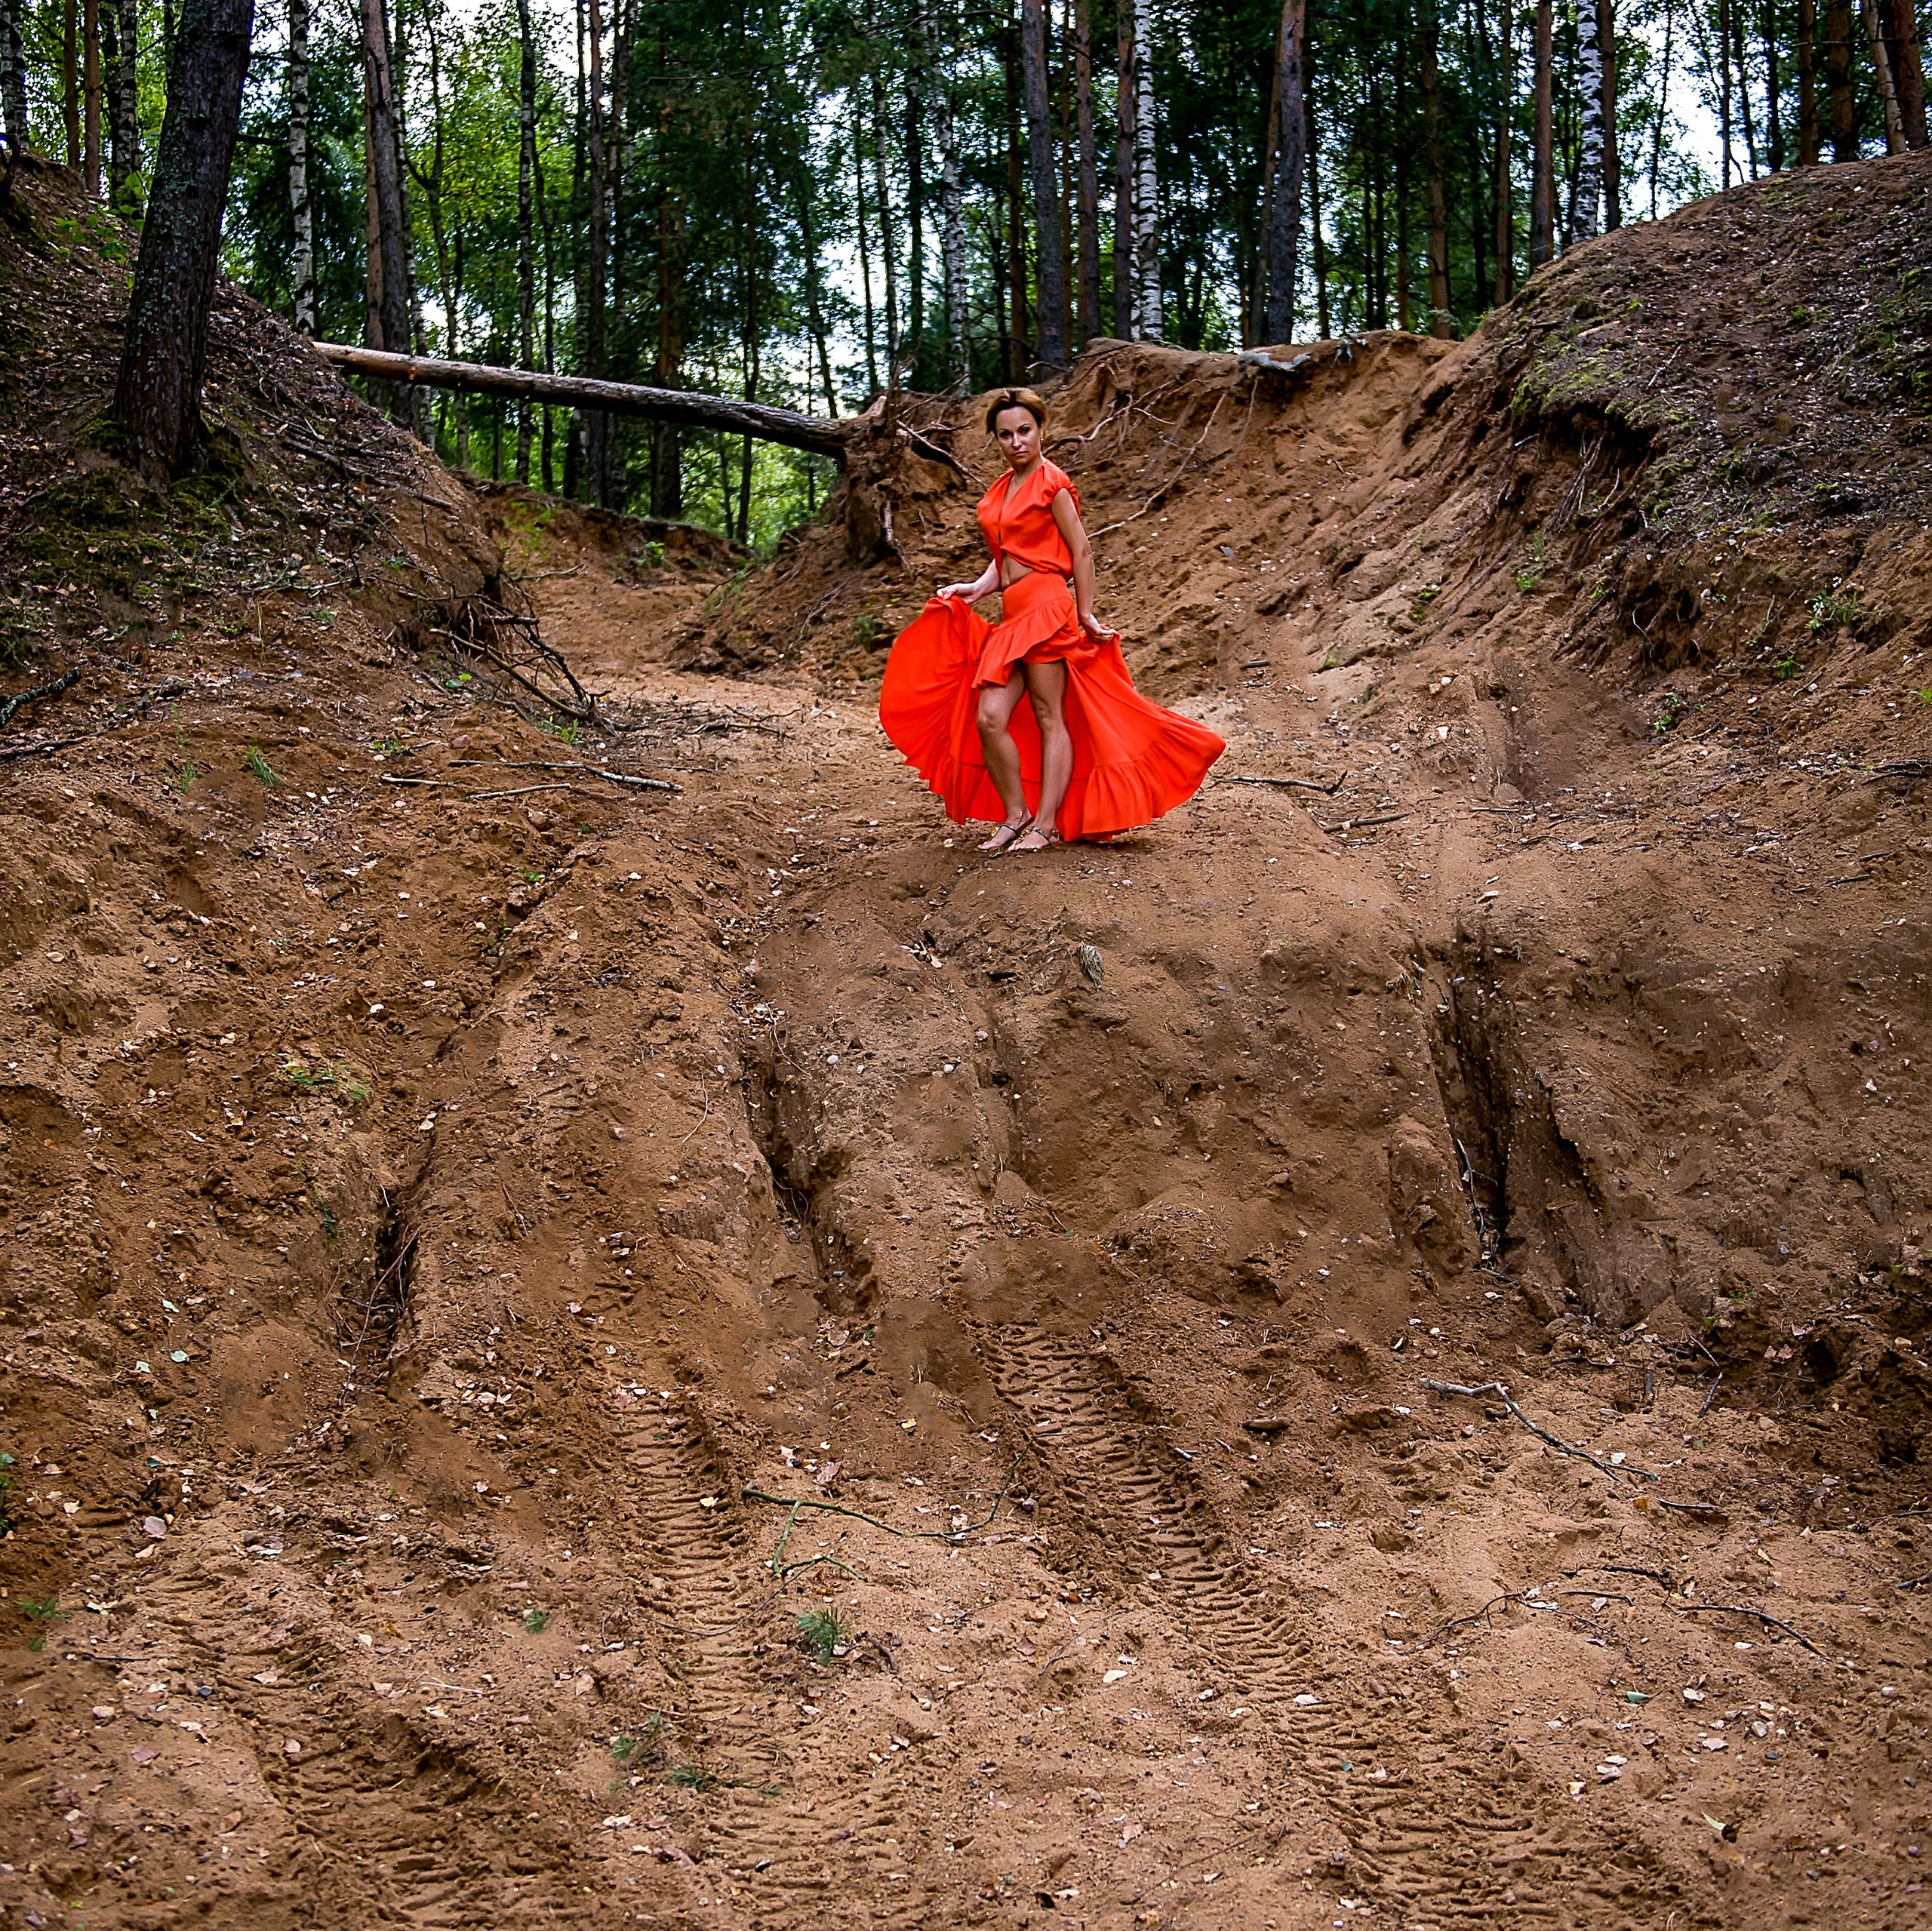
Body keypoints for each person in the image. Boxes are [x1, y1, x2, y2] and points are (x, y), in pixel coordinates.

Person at [879, 386, 1225, 853]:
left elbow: (1081, 549)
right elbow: (1004, 560)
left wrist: (1084, 610)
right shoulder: (1000, 490)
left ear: (1041, 430)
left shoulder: (1052, 482)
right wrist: (976, 588)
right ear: (996, 439)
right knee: (990, 717)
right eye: (1006, 434)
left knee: (1048, 715)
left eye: (1025, 430)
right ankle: (1016, 813)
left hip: (1047, 608)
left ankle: (1045, 823)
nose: (1017, 441)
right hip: (1013, 614)